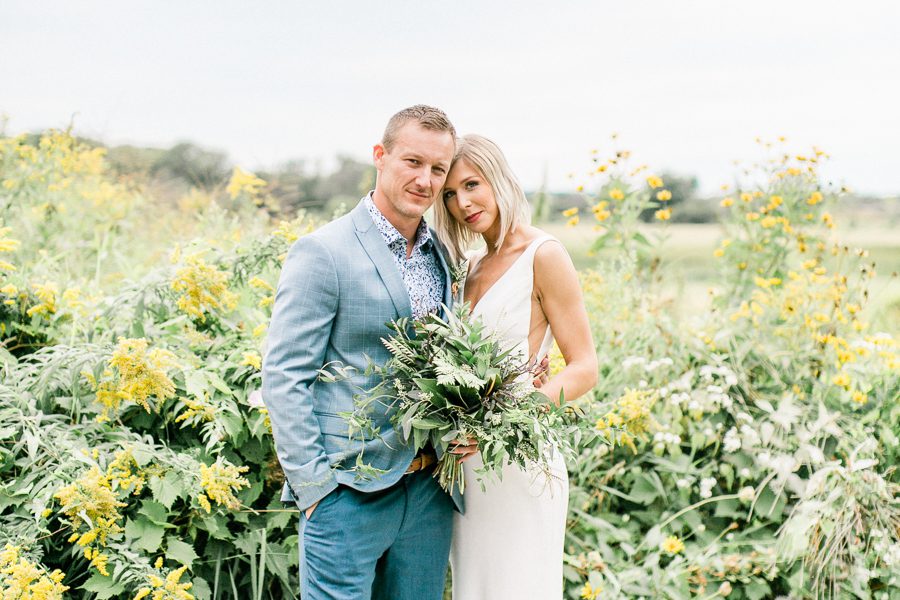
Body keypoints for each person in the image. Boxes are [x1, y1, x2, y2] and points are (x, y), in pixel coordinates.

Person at [262, 105, 470, 600]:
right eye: (412, 162)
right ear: (381, 156)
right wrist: (316, 491)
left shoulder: (442, 254)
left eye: (438, 169)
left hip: (428, 493)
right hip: (346, 493)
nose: (425, 179)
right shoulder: (323, 252)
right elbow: (284, 375)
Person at [433, 134, 599, 599]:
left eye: (471, 184)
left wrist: (514, 413)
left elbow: (584, 367)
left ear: (499, 179)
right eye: (449, 194)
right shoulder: (465, 267)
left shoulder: (544, 255)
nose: (462, 202)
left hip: (518, 458)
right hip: (468, 469)